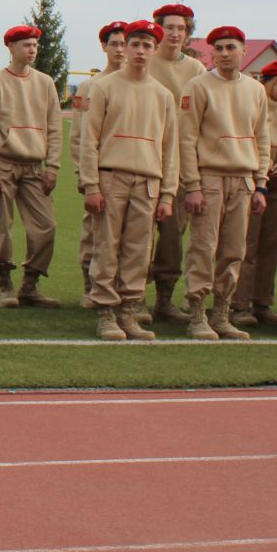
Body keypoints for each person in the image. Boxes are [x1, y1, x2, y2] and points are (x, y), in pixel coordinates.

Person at [78, 20, 179, 341]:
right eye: (134, 44)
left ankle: (129, 311)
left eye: (147, 45)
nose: (138, 51)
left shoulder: (163, 95)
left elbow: (170, 148)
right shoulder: (103, 87)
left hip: (148, 181)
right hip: (111, 178)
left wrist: (168, 194)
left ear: (155, 50)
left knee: (139, 249)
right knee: (107, 246)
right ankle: (106, 313)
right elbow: (89, 140)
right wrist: (91, 184)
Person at [174, 25, 266, 341]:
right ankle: (197, 313)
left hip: (243, 178)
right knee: (203, 246)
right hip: (209, 176)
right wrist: (193, 184)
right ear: (212, 53)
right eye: (219, 48)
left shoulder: (256, 90)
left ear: (243, 51)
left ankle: (222, 313)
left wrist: (261, 183)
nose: (225, 54)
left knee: (234, 249)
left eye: (231, 47)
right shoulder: (198, 86)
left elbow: (262, 137)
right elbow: (186, 138)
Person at [0, 24, 64, 310]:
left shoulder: (45, 82)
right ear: (11, 48)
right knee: (2, 227)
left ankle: (30, 284)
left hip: (35, 167)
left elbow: (55, 127)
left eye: (34, 45)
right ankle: (5, 283)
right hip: (4, 164)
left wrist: (53, 166)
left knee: (47, 227)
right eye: (26, 45)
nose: (32, 50)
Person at [229, 57, 277, 328]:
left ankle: (263, 302)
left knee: (271, 242)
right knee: (247, 243)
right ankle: (238, 303)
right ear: (274, 81)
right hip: (253, 175)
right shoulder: (255, 97)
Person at [145, 2, 204, 323]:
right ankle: (131, 297)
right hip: (143, 157)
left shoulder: (195, 71)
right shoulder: (145, 62)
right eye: (170, 27)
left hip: (179, 162)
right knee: (135, 235)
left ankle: (164, 299)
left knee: (171, 237)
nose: (176, 34)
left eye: (182, 28)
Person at [70, 21, 127, 306]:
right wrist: (84, 173)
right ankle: (89, 285)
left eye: (124, 43)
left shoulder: (142, 85)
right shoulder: (90, 87)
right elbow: (79, 135)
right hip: (99, 172)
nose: (119, 49)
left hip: (129, 171)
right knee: (94, 233)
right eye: (114, 44)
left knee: (129, 238)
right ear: (104, 47)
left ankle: (122, 291)